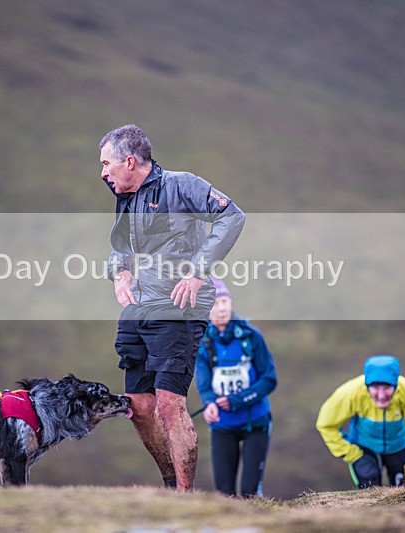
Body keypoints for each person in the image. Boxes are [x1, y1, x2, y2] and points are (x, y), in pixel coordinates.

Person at [99, 124, 245, 491]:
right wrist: (120, 272)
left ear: (129, 161)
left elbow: (232, 217)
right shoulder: (124, 195)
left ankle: (184, 497)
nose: (103, 172)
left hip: (180, 307)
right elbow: (122, 242)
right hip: (139, 308)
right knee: (138, 406)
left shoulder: (181, 185)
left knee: (169, 405)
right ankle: (169, 487)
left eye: (106, 163)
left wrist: (198, 272)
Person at [195, 279, 277, 497]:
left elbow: (269, 379)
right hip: (223, 425)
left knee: (250, 492)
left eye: (223, 301)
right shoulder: (201, 341)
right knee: (224, 494)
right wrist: (209, 403)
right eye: (214, 303)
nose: (221, 308)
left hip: (255, 423)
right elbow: (203, 383)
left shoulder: (251, 336)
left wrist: (237, 400)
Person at [316, 355, 405, 488]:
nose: (381, 396)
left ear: (396, 384)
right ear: (366, 386)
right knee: (369, 490)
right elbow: (326, 424)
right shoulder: (350, 393)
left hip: (399, 446)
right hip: (364, 447)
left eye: (387, 388)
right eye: (375, 388)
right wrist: (352, 454)